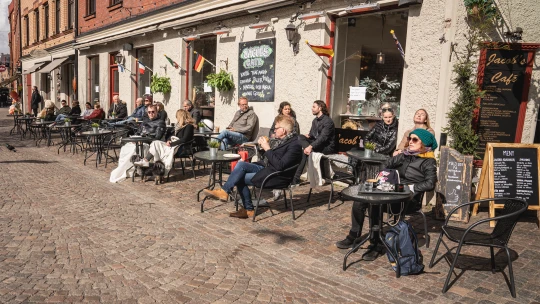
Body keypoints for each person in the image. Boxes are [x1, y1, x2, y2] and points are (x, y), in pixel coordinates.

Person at [335, 129, 438, 260]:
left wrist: (410, 187)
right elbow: (386, 163)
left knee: (375, 203)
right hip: (393, 190)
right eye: (409, 139)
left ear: (424, 144)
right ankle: (353, 235)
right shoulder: (406, 155)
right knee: (360, 201)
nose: (410, 142)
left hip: (408, 199)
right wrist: (384, 175)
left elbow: (430, 184)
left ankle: (376, 244)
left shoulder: (429, 161)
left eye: (415, 140)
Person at [203, 115, 303, 219]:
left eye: (276, 128)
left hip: (276, 176)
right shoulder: (283, 140)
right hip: (267, 167)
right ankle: (225, 192)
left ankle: (247, 209)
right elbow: (270, 157)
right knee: (241, 165)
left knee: (239, 177)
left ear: (283, 130)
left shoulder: (294, 145)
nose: (274, 131)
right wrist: (262, 147)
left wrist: (268, 149)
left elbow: (280, 166)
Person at [109, 105, 166, 183]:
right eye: (149, 112)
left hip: (149, 144)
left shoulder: (160, 122)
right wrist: (135, 138)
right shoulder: (145, 121)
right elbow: (138, 132)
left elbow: (157, 137)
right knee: (125, 148)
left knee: (134, 149)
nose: (151, 114)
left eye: (153, 112)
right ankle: (125, 168)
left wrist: (143, 140)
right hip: (139, 141)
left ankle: (132, 169)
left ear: (156, 112)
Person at [293, 100, 336, 184]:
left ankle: (295, 179)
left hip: (326, 147)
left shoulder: (328, 121)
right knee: (299, 137)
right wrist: (306, 137)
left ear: (320, 108)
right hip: (316, 145)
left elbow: (323, 138)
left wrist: (310, 146)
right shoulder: (315, 121)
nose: (312, 109)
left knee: (304, 152)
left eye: (314, 107)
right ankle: (309, 152)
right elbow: (312, 135)